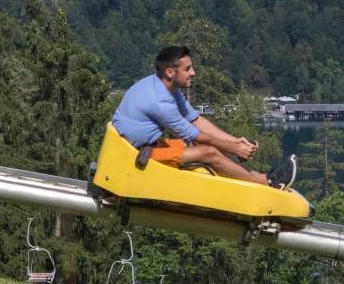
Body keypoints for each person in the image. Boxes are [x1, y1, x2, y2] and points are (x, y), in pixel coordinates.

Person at [113, 45, 296, 189]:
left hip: (147, 147)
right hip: (136, 155)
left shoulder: (167, 88)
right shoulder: (159, 101)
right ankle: (269, 183)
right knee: (208, 151)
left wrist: (236, 142)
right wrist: (234, 148)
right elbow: (194, 135)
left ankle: (259, 177)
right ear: (170, 72)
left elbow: (195, 120)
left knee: (208, 145)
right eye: (188, 68)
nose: (193, 72)